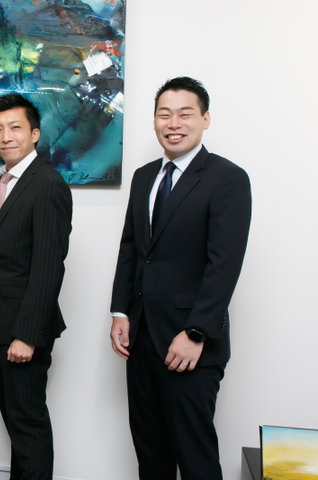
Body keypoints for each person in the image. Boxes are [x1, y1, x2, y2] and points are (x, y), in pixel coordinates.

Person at [109, 77, 252, 479]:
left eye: (185, 114)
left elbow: (225, 264)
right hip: (141, 340)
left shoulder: (227, 178)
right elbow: (132, 249)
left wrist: (196, 332)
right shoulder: (144, 176)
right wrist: (120, 312)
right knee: (151, 457)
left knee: (195, 459)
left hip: (190, 343)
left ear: (205, 119)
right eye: (164, 114)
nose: (173, 123)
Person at [0, 94, 72, 479]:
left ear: (35, 134)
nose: (5, 137)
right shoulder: (5, 182)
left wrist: (27, 335)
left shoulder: (48, 185)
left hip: (23, 329)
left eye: (15, 128)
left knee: (28, 425)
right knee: (17, 425)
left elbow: (48, 267)